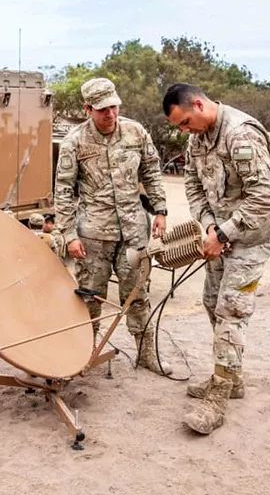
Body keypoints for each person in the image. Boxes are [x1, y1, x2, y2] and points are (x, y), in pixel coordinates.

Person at [162, 82, 270, 435]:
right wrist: (208, 226)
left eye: (186, 122)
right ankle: (233, 377)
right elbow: (193, 186)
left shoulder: (239, 134)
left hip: (252, 235)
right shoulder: (196, 139)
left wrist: (224, 233)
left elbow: (266, 196)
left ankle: (218, 397)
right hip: (221, 234)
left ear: (199, 105)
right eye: (180, 127)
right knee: (210, 300)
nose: (185, 131)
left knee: (230, 308)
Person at [54, 77, 171, 376]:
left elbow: (151, 171)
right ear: (88, 109)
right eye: (103, 109)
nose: (110, 114)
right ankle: (83, 355)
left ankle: (146, 354)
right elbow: (64, 191)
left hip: (133, 232)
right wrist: (68, 234)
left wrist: (160, 209)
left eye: (114, 107)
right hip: (93, 236)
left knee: (137, 295)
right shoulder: (74, 142)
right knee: (89, 298)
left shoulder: (136, 132)